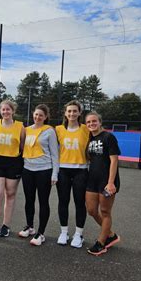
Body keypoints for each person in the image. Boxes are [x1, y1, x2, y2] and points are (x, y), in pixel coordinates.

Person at [19, 104, 59, 246]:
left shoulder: (49, 131)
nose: (38, 117)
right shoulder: (26, 130)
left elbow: (55, 154)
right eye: (36, 114)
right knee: (29, 200)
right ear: (33, 115)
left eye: (41, 115)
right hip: (27, 170)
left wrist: (55, 173)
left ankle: (41, 233)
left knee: (43, 201)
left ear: (45, 117)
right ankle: (30, 226)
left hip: (44, 171)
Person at [85, 111, 121, 256]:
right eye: (88, 122)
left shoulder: (108, 137)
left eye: (94, 121)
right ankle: (111, 235)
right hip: (92, 180)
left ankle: (101, 243)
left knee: (105, 212)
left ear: (100, 122)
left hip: (107, 182)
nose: (91, 124)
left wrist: (111, 182)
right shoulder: (89, 138)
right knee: (92, 211)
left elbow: (114, 160)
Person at [55, 100, 90, 248]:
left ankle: (78, 234)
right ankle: (64, 232)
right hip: (62, 169)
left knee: (79, 203)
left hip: (81, 170)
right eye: (69, 111)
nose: (72, 114)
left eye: (75, 111)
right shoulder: (58, 130)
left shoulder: (86, 129)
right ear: (65, 113)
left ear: (80, 113)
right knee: (63, 202)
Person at [0, 100, 25, 239]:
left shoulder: (20, 127)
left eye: (8, 109)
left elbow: (22, 146)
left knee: (10, 194)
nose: (5, 112)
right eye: (3, 110)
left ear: (13, 111)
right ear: (0, 111)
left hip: (14, 162)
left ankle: (6, 225)